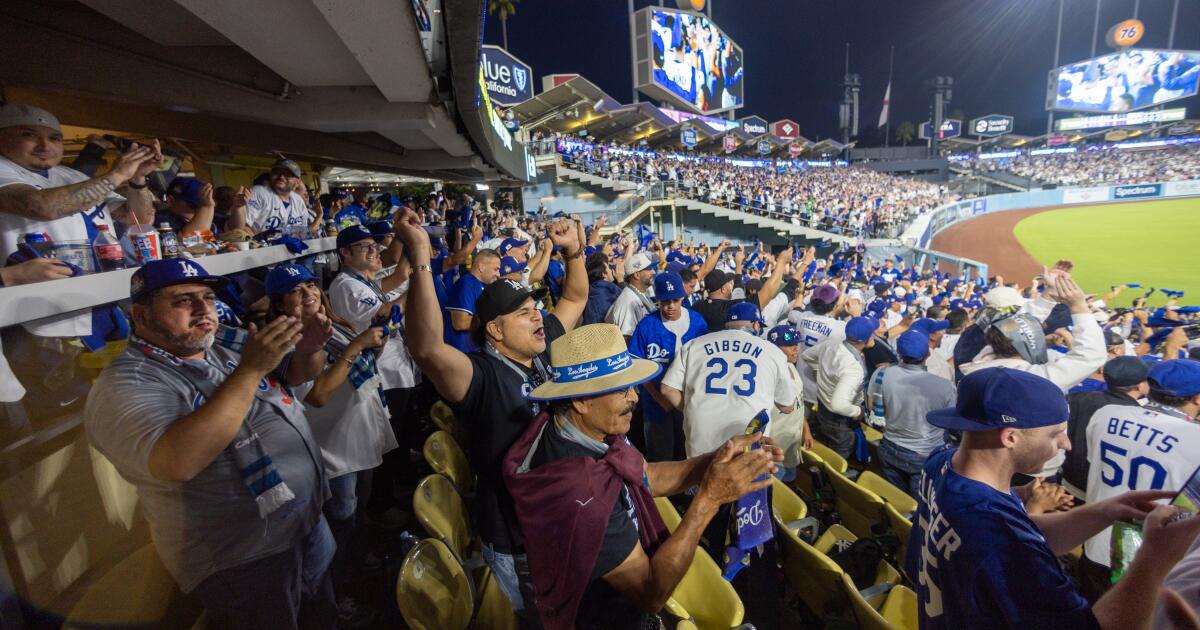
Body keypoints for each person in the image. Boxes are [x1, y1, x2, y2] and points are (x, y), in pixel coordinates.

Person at [84, 259, 335, 629]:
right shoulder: (125, 384)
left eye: (206, 296)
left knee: (319, 614)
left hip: (301, 521)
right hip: (244, 555)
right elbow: (177, 462)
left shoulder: (223, 345)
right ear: (140, 315)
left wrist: (310, 348)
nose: (204, 309)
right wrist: (250, 370)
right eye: (184, 300)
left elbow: (299, 374)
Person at [502, 323, 780, 630]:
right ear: (581, 400)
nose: (634, 397)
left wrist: (717, 459)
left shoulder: (590, 428)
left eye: (632, 385)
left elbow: (647, 475)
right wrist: (709, 498)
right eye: (621, 389)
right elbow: (650, 593)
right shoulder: (579, 492)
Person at [398, 209, 587, 617]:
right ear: (495, 331)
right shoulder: (480, 376)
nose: (538, 315)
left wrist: (572, 252)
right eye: (523, 313)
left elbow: (574, 298)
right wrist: (420, 259)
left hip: (555, 521)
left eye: (535, 307)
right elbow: (427, 348)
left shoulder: (538, 351)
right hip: (516, 538)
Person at [908, 367, 1200, 630]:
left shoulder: (943, 462)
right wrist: (1154, 558)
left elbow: (1024, 534)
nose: (1067, 444)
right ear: (1010, 437)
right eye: (1056, 434)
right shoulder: (997, 538)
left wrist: (1106, 511)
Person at [263, 263, 395, 627]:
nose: (308, 293)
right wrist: (358, 344)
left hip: (359, 434)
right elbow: (317, 395)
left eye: (310, 284)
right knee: (339, 524)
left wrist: (371, 344)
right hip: (333, 446)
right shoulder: (285, 340)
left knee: (356, 514)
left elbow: (358, 363)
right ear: (278, 304)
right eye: (295, 290)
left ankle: (356, 571)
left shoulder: (330, 323)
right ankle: (341, 595)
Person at [1082, 359, 1200, 600]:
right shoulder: (1195, 440)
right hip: (1149, 567)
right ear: (1197, 398)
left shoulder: (1106, 414)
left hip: (1094, 544)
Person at [325, 225, 419, 520]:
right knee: (383, 448)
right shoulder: (345, 285)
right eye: (363, 246)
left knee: (397, 439)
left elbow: (401, 274)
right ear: (344, 253)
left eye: (373, 245)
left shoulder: (363, 281)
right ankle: (383, 506)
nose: (373, 250)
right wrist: (417, 289)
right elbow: (382, 318)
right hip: (383, 372)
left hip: (395, 368)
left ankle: (393, 495)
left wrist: (408, 238)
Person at [0, 103, 160, 269]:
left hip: (96, 280)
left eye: (54, 138)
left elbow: (138, 220)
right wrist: (118, 174)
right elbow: (41, 206)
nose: (45, 146)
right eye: (29, 135)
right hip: (29, 289)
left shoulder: (72, 175)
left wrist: (137, 179)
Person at [660, 302, 796, 458]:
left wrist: (690, 408)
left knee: (702, 480)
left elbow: (667, 389)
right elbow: (787, 406)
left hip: (702, 436)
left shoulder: (695, 344)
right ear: (754, 323)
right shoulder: (773, 351)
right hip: (746, 441)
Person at [627, 271, 708, 462]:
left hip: (688, 402)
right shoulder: (647, 325)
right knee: (660, 456)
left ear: (682, 297)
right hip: (655, 405)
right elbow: (637, 364)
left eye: (675, 300)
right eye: (664, 301)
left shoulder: (697, 322)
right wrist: (659, 397)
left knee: (688, 454)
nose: (670, 306)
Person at [865, 329, 956, 499]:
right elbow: (952, 423)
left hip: (889, 446)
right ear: (927, 354)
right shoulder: (944, 386)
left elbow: (871, 406)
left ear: (898, 352)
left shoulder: (882, 373)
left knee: (895, 501)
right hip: (923, 456)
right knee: (917, 507)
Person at [1062, 355, 1148, 495]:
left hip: (1067, 481)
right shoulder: (1137, 416)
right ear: (1140, 385)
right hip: (1101, 494)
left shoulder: (1077, 397)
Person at [801, 316, 878, 459]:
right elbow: (838, 405)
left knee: (828, 438)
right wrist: (858, 411)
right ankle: (832, 476)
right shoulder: (853, 368)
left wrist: (821, 373)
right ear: (864, 340)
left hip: (823, 406)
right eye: (871, 333)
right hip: (839, 418)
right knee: (841, 450)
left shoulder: (831, 344)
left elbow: (806, 355)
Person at [765, 324, 812, 480]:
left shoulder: (791, 366)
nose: (796, 348)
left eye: (796, 344)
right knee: (775, 492)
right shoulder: (768, 375)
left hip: (792, 441)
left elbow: (799, 403)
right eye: (790, 345)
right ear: (775, 348)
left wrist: (806, 431)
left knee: (790, 480)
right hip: (774, 447)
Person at [239, 159, 320, 236]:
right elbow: (243, 227)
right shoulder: (258, 192)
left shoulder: (298, 200)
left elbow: (302, 231)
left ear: (297, 182)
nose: (281, 177)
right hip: (262, 247)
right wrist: (260, 246)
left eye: (287, 175)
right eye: (277, 172)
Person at [443, 248, 501, 353]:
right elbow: (460, 322)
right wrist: (495, 321)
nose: (498, 274)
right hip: (459, 353)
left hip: (472, 352)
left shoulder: (480, 285)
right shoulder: (466, 284)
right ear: (482, 267)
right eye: (495, 269)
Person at [605, 252, 656, 340]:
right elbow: (626, 339)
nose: (653, 272)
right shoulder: (628, 302)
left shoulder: (639, 293)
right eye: (649, 269)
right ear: (637, 275)